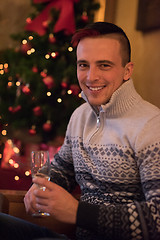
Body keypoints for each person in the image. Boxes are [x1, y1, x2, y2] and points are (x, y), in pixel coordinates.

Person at [1, 21, 160, 240]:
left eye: (104, 65)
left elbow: (157, 220)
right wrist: (41, 190)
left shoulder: (152, 126)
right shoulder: (80, 115)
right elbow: (62, 169)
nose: (90, 77)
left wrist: (78, 213)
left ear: (127, 70)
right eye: (83, 65)